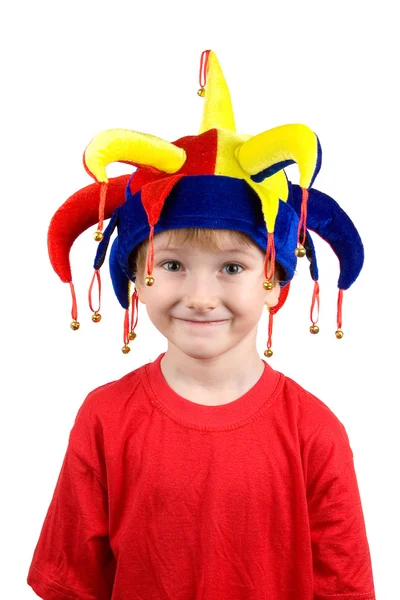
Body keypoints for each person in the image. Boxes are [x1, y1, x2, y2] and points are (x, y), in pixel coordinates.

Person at [27, 50, 376, 599]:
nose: (199, 295)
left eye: (232, 267)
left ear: (275, 281)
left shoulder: (315, 432)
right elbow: (72, 584)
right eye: (171, 265)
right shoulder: (105, 417)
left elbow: (345, 587)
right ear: (136, 277)